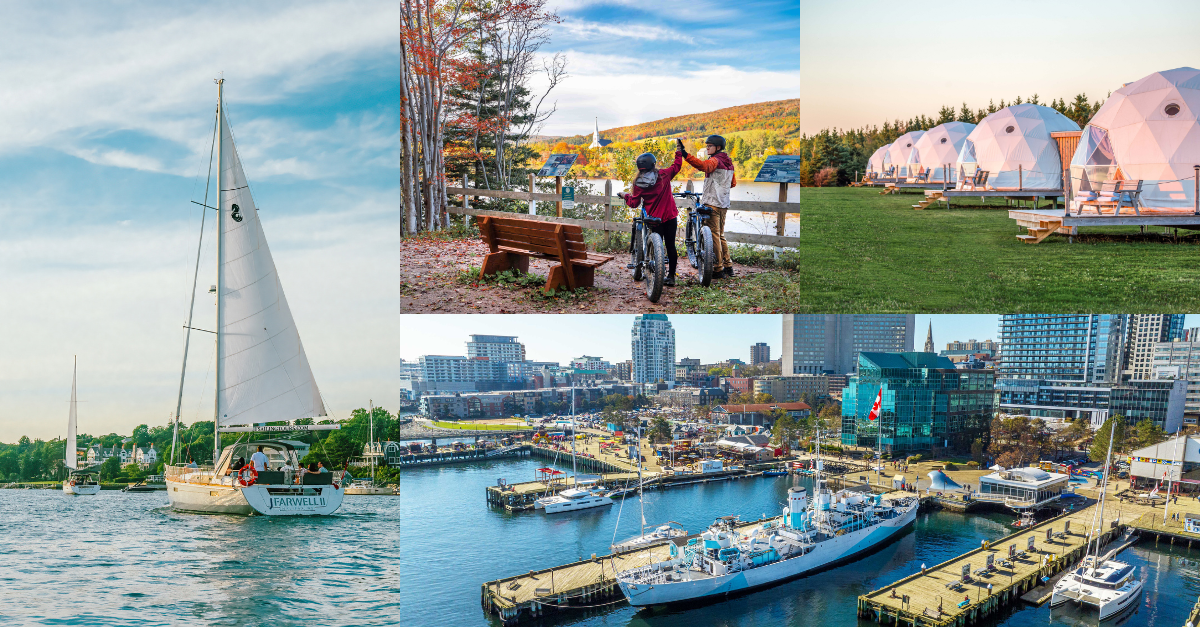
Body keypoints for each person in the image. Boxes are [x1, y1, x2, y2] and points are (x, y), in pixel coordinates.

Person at [618, 143, 684, 286]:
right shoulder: (664, 175)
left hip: (654, 219)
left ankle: (655, 275)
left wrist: (625, 196)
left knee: (655, 246)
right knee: (671, 246)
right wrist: (679, 151)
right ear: (653, 164)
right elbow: (677, 165)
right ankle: (671, 277)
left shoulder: (638, 183)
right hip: (670, 216)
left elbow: (634, 203)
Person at [684, 135, 736, 278]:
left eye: (710, 146)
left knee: (713, 236)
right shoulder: (729, 163)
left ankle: (718, 269)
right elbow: (733, 183)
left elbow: (703, 166)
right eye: (707, 145)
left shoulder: (714, 160)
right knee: (721, 235)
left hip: (712, 203)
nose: (707, 148)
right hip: (723, 204)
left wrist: (685, 155)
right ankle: (728, 266)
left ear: (717, 147)